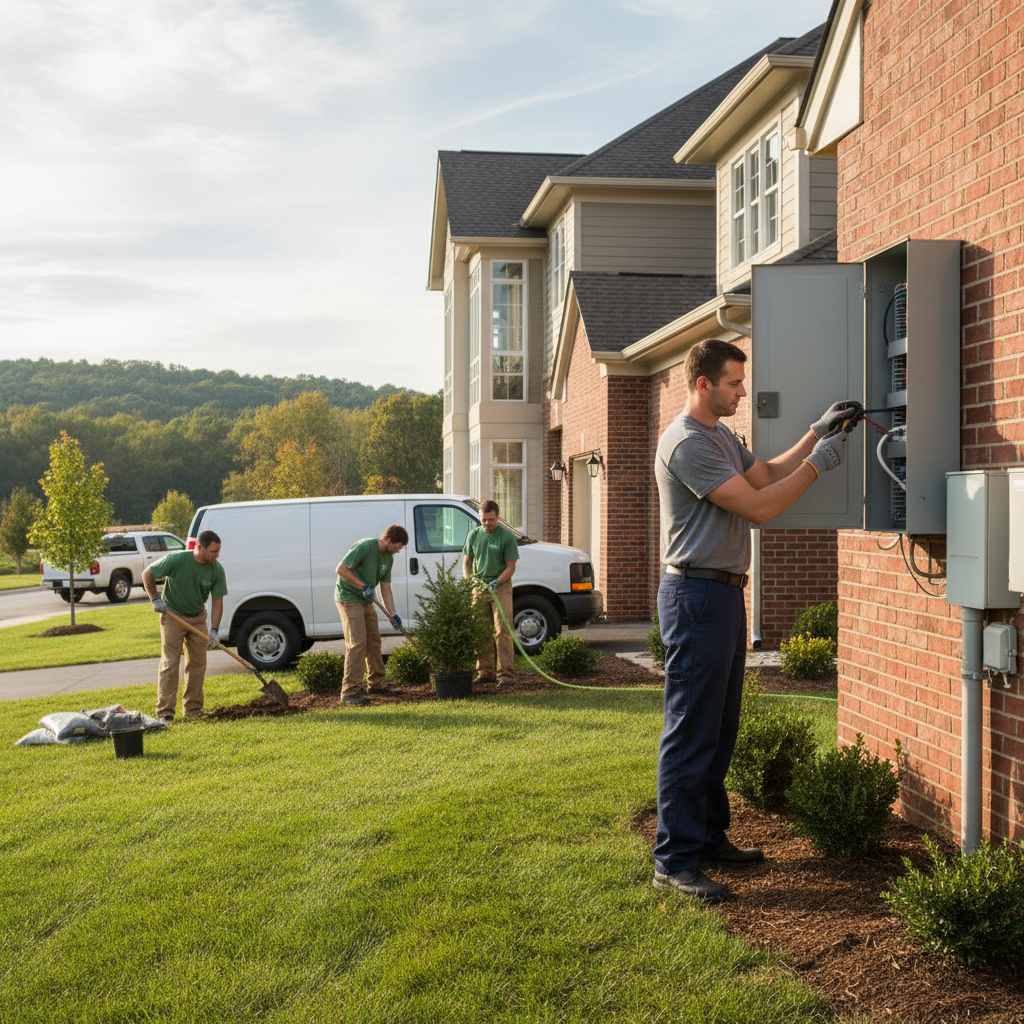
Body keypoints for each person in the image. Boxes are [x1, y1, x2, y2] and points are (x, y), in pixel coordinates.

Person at [653, 338, 860, 903]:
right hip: (695, 595)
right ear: (704, 384)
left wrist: (817, 433)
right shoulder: (687, 443)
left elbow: (765, 473)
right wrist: (820, 467)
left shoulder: (719, 436)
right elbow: (760, 507)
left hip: (720, 596)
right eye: (734, 383)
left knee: (719, 728)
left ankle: (707, 838)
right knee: (691, 730)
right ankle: (673, 859)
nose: (743, 391)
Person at [144, 529, 228, 723]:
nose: (217, 555)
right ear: (199, 547)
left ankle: (193, 709)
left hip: (198, 618)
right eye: (214, 551)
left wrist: (214, 630)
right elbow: (147, 574)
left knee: (198, 663)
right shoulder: (177, 560)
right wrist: (155, 598)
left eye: (218, 551)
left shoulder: (217, 569)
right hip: (173, 616)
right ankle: (165, 713)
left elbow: (217, 602)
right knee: (170, 663)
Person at [335, 524, 409, 706]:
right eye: (396, 547)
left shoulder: (388, 558)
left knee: (374, 641)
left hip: (366, 600)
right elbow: (341, 569)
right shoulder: (365, 547)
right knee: (357, 643)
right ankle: (349, 692)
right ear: (387, 540)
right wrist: (363, 586)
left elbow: (385, 588)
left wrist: (393, 615)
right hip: (349, 598)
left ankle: (376, 684)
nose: (397, 551)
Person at [462, 499, 519, 689]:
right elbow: (467, 561)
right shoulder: (474, 535)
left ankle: (506, 675)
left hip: (500, 588)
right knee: (480, 631)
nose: (487, 523)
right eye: (483, 520)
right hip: (478, 587)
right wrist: (469, 578)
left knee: (502, 631)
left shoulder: (507, 537)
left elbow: (511, 567)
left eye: (491, 520)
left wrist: (498, 582)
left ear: (498, 518)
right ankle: (485, 673)